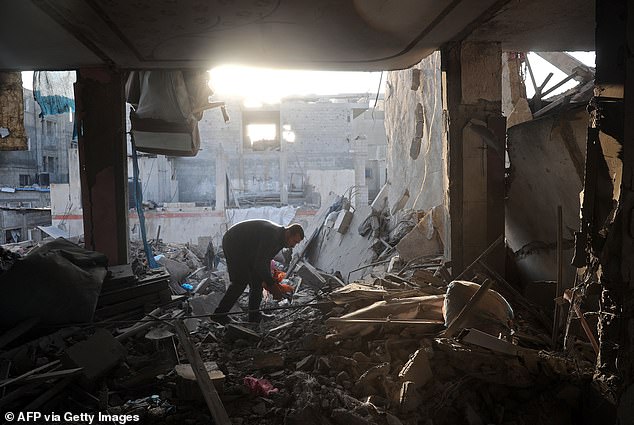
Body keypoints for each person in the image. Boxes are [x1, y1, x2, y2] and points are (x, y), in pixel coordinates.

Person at [213, 220, 304, 323]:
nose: (294, 245)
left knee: (257, 281)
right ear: (288, 233)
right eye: (295, 241)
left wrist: (269, 280)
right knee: (240, 281)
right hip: (234, 242)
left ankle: (254, 316)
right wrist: (272, 285)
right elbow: (260, 262)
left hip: (248, 248)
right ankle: (219, 315)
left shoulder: (280, 240)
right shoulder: (272, 235)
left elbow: (265, 260)